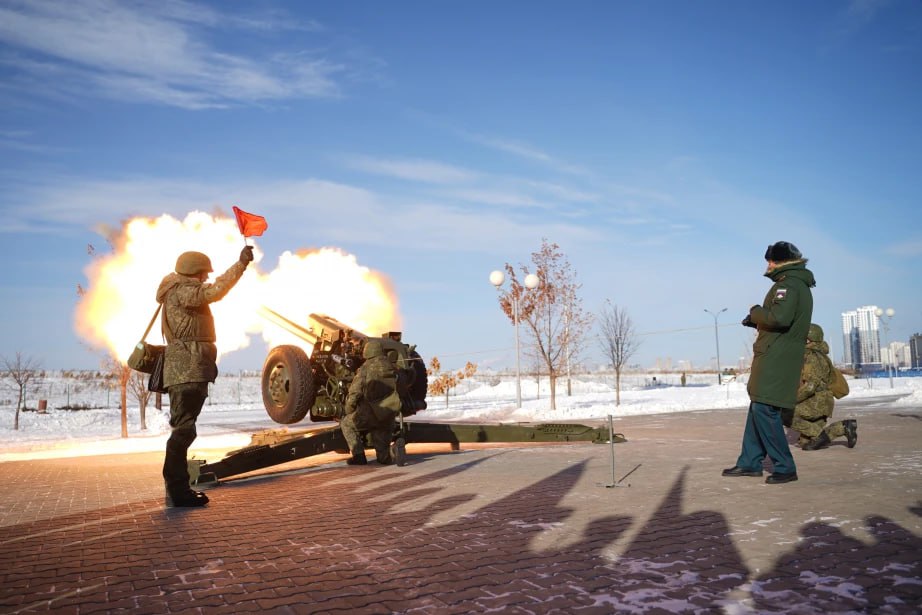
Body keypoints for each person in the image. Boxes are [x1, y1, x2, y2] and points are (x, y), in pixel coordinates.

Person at [157, 246, 253, 507]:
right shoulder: (183, 290)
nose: (205, 279)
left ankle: (177, 490)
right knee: (183, 431)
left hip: (187, 369)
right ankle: (178, 491)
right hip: (186, 369)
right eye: (202, 274)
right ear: (193, 273)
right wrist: (240, 265)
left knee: (184, 430)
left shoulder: (175, 290)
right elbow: (216, 291)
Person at [723, 241, 815, 485]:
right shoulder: (793, 284)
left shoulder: (788, 285)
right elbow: (781, 321)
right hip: (776, 353)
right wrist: (756, 321)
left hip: (777, 357)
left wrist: (755, 311)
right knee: (759, 406)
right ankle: (750, 463)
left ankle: (784, 466)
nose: (768, 265)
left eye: (771, 260)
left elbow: (780, 318)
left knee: (765, 408)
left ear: (783, 261)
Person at [790, 324, 858, 450]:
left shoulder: (812, 356)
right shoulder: (820, 355)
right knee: (807, 444)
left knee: (785, 414)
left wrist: (791, 400)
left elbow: (810, 387)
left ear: (808, 339)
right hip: (821, 401)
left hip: (817, 403)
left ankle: (841, 427)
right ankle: (843, 428)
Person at [340, 340, 402, 466]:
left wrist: (349, 409)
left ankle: (359, 457)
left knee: (346, 424)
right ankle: (394, 452)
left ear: (368, 351)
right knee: (383, 458)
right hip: (387, 414)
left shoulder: (365, 368)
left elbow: (355, 392)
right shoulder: (391, 366)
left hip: (370, 413)